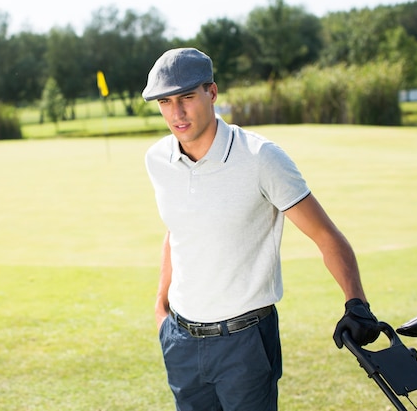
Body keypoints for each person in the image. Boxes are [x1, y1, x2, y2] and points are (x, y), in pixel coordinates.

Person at [142, 47, 380, 411]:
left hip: (245, 345)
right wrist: (161, 311)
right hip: (182, 343)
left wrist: (356, 302)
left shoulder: (260, 158)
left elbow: (325, 236)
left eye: (187, 97)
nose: (176, 113)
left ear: (212, 92)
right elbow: (177, 231)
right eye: (166, 101)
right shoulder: (157, 159)